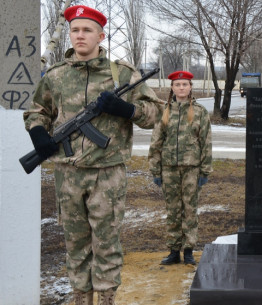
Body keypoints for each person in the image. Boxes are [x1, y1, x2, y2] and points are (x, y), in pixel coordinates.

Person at [23, 5, 162, 305]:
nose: (80, 35)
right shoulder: (56, 75)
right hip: (68, 175)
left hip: (107, 174)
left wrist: (126, 109)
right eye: (75, 30)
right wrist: (39, 134)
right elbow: (37, 112)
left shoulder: (121, 73)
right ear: (69, 35)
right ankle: (80, 299)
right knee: (75, 243)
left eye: (87, 30)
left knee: (107, 244)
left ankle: (107, 299)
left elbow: (155, 115)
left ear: (101, 35)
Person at [148, 70, 212, 266]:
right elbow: (156, 142)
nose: (181, 88)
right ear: (172, 88)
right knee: (173, 210)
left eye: (185, 84)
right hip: (169, 169)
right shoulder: (165, 111)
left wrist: (204, 170)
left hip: (191, 169)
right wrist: (155, 170)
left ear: (190, 87)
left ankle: (189, 249)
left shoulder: (200, 112)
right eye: (178, 85)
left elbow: (206, 142)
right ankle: (174, 250)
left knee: (190, 210)